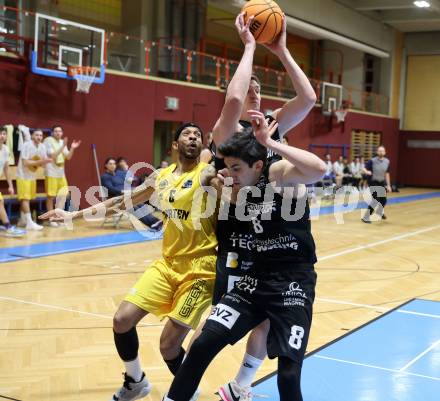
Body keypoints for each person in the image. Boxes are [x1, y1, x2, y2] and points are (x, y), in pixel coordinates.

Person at [40, 123, 219, 401]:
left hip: (200, 269)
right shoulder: (161, 177)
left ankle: (186, 390)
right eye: (187, 133)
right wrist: (71, 215)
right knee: (122, 320)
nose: (193, 137)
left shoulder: (207, 174)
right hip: (168, 264)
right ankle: (136, 381)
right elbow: (119, 203)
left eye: (198, 134)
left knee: (168, 346)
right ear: (174, 144)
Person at [164, 111, 326, 401]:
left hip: (293, 284)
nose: (229, 174)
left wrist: (272, 143)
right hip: (256, 280)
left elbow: (319, 170)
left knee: (288, 376)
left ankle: (241, 385)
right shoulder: (237, 189)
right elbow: (224, 133)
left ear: (259, 165)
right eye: (227, 168)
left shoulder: (278, 176)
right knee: (201, 345)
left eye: (235, 168)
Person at [211, 12, 317, 399]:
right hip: (239, 237)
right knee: (226, 323)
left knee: (269, 321)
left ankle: (240, 385)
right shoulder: (226, 132)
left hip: (277, 233)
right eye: (248, 83)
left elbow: (308, 98)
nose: (253, 91)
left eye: (259, 86)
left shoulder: (271, 128)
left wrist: (283, 50)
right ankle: (190, 375)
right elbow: (235, 97)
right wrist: (250, 47)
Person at [101, 157, 162, 230]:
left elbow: (134, 179)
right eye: (110, 164)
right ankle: (152, 223)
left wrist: (126, 171)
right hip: (115, 198)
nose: (112, 165)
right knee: (132, 205)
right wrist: (122, 191)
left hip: (126, 195)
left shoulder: (119, 174)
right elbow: (110, 188)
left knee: (139, 202)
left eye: (114, 163)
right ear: (106, 165)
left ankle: (155, 221)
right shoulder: (105, 177)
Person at [44, 125, 81, 227]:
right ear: (52, 133)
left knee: (62, 196)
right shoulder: (48, 141)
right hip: (51, 172)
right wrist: (63, 146)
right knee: (50, 197)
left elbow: (68, 156)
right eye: (56, 131)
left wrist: (72, 148)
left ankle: (58, 218)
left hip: (60, 173)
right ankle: (51, 218)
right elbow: (53, 155)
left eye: (60, 131)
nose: (58, 133)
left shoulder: (61, 142)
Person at [17, 129, 52, 230]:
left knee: (27, 198)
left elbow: (43, 163)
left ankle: (22, 220)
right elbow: (25, 163)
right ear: (32, 136)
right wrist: (42, 161)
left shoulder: (42, 147)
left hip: (32, 176)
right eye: (37, 135)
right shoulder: (26, 145)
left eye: (41, 135)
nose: (39, 137)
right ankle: (29, 222)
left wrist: (48, 161)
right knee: (25, 198)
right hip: (22, 175)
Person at [0, 126, 25, 236]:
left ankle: (7, 226)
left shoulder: (5, 149)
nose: (2, 136)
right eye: (0, 133)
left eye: (4, 134)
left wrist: (10, 185)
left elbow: (6, 168)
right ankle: (7, 226)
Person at [362, 146, 392, 223]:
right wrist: (367, 172)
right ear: (377, 152)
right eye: (379, 151)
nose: (381, 152)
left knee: (384, 200)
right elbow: (364, 168)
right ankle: (366, 217)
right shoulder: (372, 161)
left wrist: (388, 185)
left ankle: (379, 212)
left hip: (381, 182)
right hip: (373, 182)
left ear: (385, 152)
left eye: (382, 151)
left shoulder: (387, 161)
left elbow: (387, 174)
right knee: (376, 200)